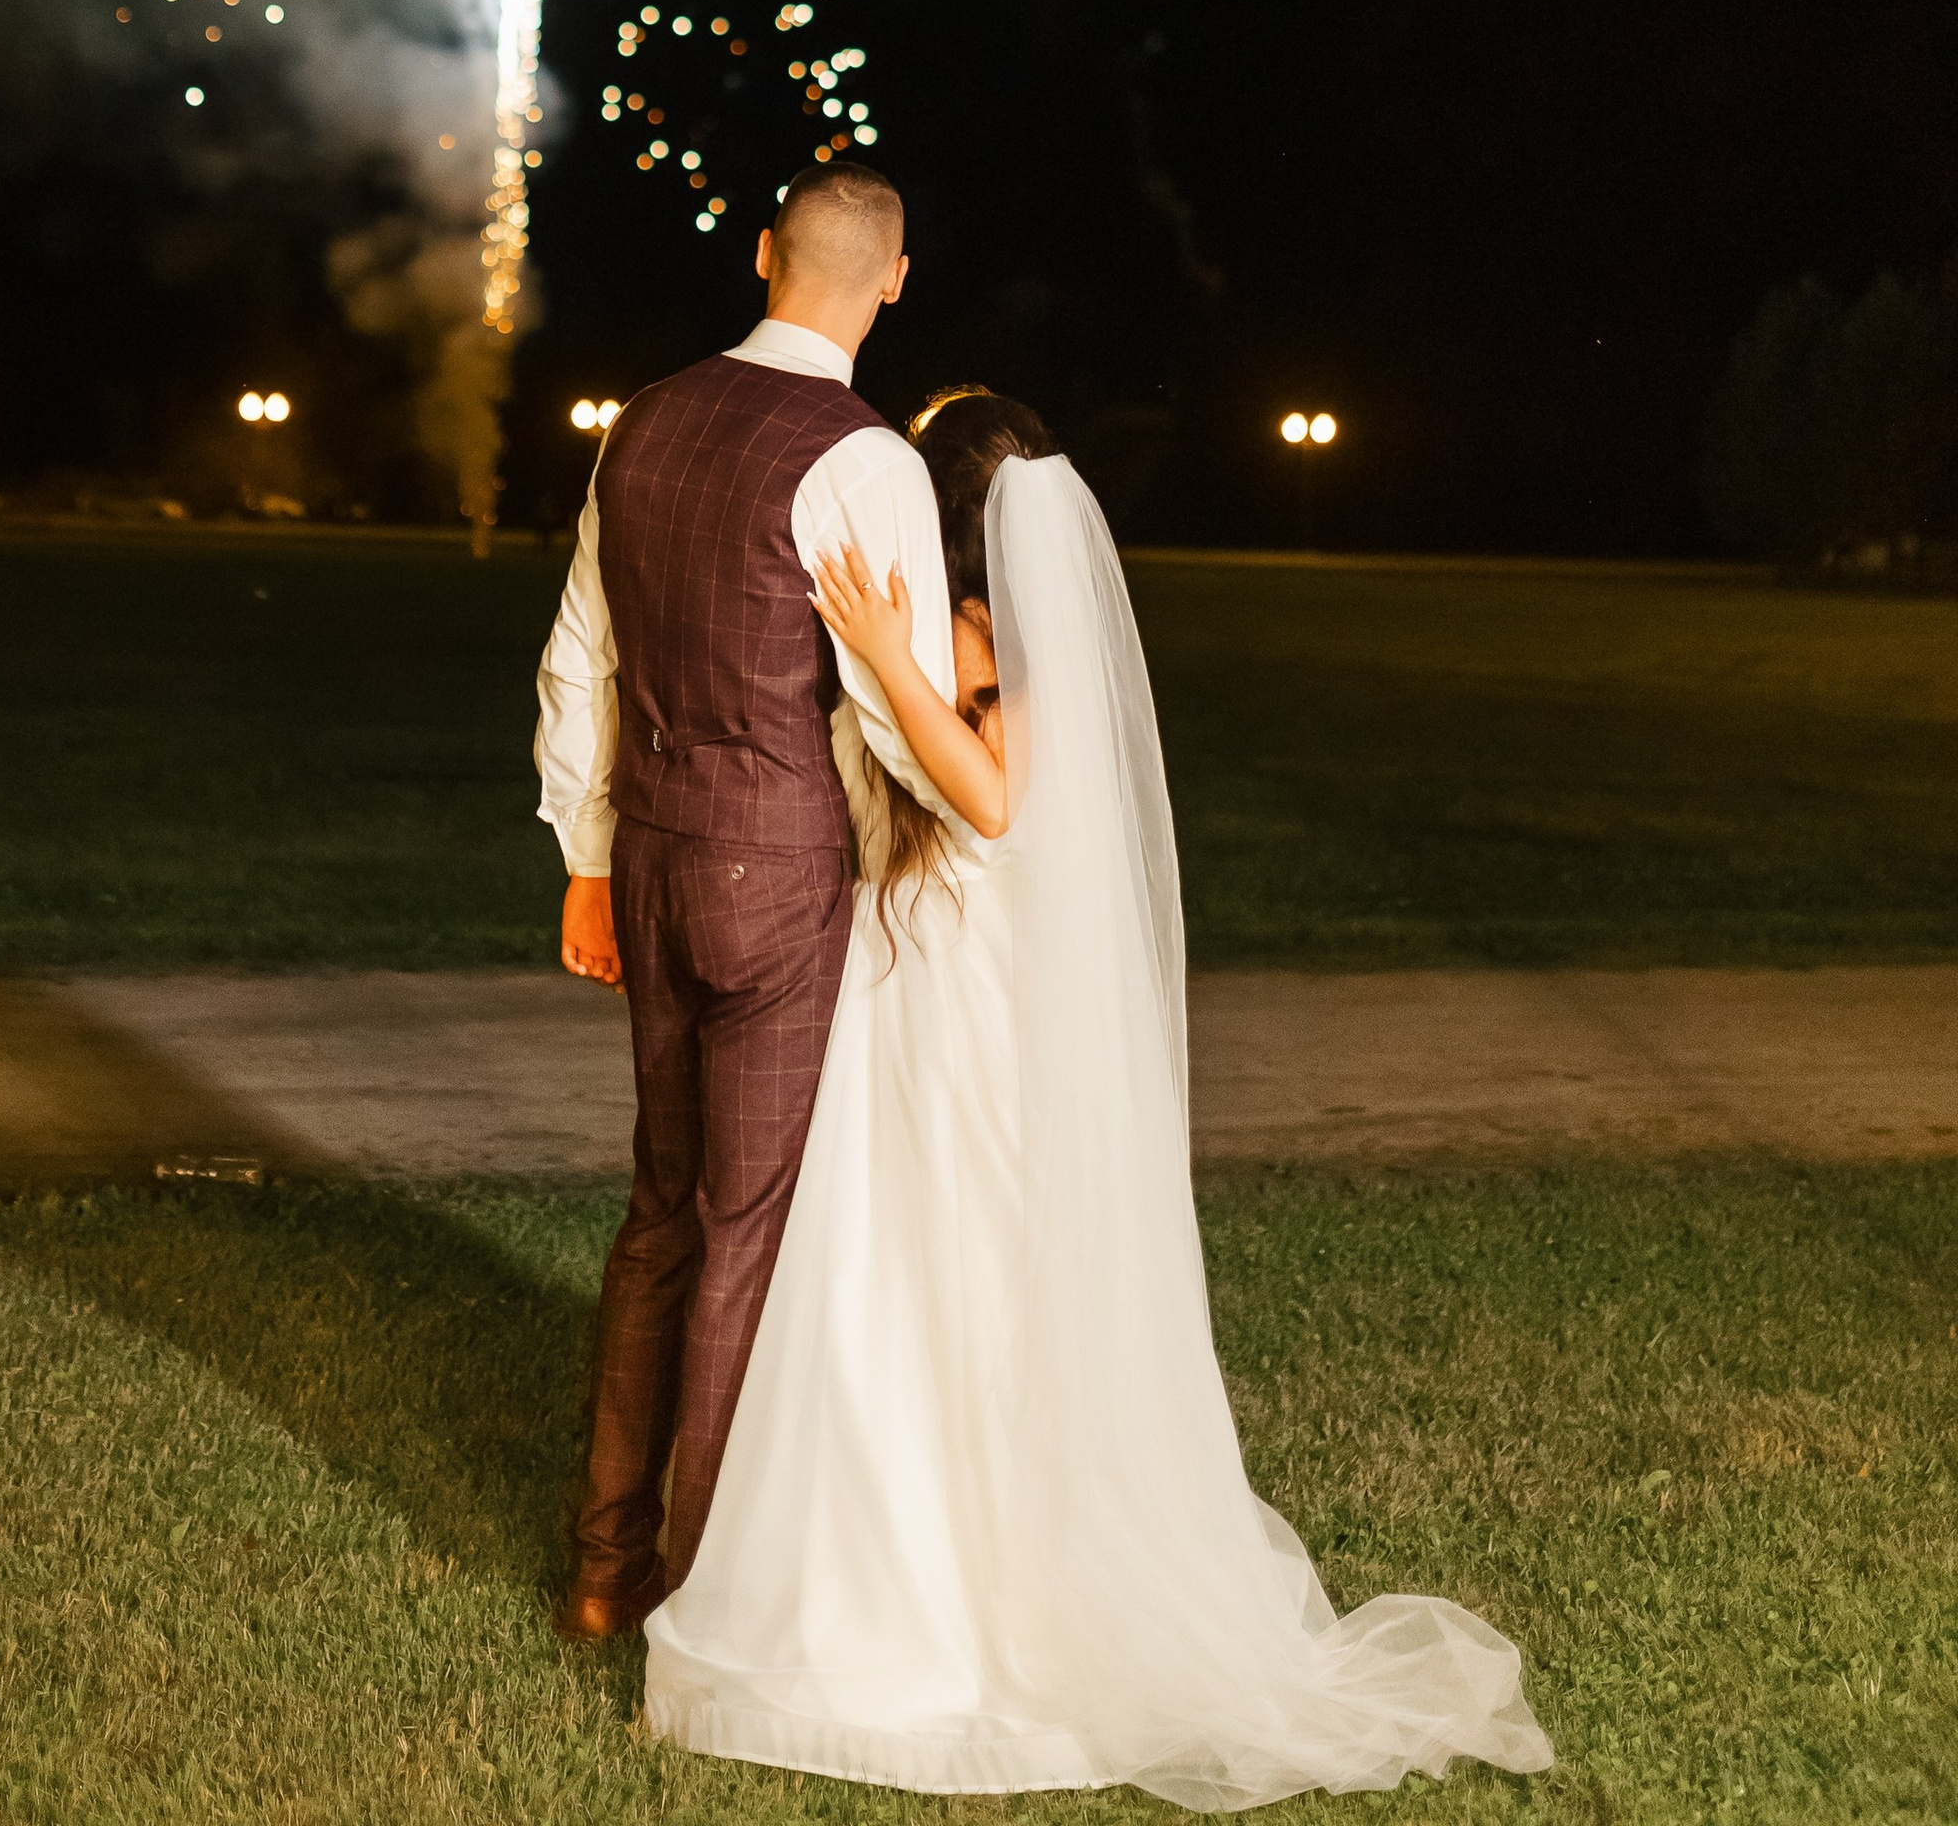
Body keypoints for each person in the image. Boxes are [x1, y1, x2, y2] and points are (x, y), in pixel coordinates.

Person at [640, 389, 1556, 1806]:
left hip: (949, 1003)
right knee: (950, 1277)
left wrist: (880, 649)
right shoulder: (1033, 645)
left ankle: (937, 1600)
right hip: (975, 986)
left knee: (933, 1278)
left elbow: (993, 809)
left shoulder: (961, 637)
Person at [533, 162, 951, 1640]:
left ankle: (600, 1565)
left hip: (644, 855)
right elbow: (903, 728)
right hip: (773, 871)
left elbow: (582, 653)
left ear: (765, 253)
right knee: (740, 1230)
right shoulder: (867, 462)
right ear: (893, 280)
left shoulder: (642, 419)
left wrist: (586, 861)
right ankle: (695, 1599)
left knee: (658, 1214)